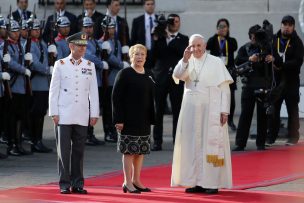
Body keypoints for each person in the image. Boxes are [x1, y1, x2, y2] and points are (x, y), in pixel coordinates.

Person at [171, 34, 233, 194]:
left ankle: (211, 183)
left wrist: (224, 110)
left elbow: (225, 89)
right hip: (191, 111)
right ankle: (195, 181)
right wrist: (184, 59)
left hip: (210, 111)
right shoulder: (187, 60)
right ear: (189, 47)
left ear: (205, 46)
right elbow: (178, 76)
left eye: (199, 45)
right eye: (193, 46)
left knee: (209, 145)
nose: (196, 49)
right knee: (192, 145)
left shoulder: (216, 62)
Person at [49, 32, 99, 194]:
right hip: (63, 113)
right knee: (63, 150)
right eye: (80, 45)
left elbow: (93, 91)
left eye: (85, 45)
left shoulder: (89, 65)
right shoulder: (61, 64)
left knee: (79, 150)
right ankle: (64, 183)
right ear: (71, 46)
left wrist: (94, 113)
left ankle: (78, 183)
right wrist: (54, 112)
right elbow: (53, 90)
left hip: (82, 113)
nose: (83, 48)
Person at [112, 44, 155, 194]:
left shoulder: (149, 74)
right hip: (127, 119)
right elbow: (116, 98)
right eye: (137, 54)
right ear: (131, 57)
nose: (140, 57)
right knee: (129, 152)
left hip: (143, 119)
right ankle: (127, 182)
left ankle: (137, 180)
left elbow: (151, 97)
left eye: (143, 54)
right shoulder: (124, 74)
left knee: (140, 151)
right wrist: (118, 119)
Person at [233, 25, 274, 151]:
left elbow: (277, 59)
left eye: (258, 36)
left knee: (262, 115)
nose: (255, 39)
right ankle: (240, 143)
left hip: (263, 85)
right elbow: (237, 61)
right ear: (250, 36)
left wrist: (272, 58)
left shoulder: (267, 47)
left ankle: (261, 143)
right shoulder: (245, 48)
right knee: (245, 115)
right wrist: (249, 59)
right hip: (249, 86)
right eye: (254, 36)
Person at [151, 13, 188, 151]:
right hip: (160, 78)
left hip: (176, 79)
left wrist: (168, 38)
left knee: (177, 110)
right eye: (171, 21)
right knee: (158, 110)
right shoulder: (159, 37)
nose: (174, 23)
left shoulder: (184, 39)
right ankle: (157, 141)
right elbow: (154, 56)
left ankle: (177, 141)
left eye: (176, 21)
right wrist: (156, 38)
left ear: (180, 23)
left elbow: (181, 52)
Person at [267, 15, 304, 146]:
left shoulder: (297, 42)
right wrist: (271, 63)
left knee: (292, 110)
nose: (286, 27)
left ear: (293, 27)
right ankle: (271, 137)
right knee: (274, 109)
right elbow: (268, 56)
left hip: (291, 81)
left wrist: (281, 64)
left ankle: (293, 137)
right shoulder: (273, 39)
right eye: (284, 24)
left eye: (289, 25)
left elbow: (298, 62)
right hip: (276, 81)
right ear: (281, 25)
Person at [99, 16, 129, 143]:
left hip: (118, 77)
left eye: (112, 27)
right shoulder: (100, 42)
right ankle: (108, 131)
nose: (111, 30)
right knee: (107, 106)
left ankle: (115, 130)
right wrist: (121, 64)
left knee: (117, 105)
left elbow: (119, 57)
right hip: (108, 78)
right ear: (103, 28)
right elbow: (109, 58)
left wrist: (125, 55)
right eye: (108, 28)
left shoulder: (117, 42)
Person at [25, 19, 53, 153]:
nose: (38, 31)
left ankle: (38, 140)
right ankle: (34, 140)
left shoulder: (41, 43)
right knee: (36, 113)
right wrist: (48, 70)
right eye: (35, 29)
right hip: (36, 84)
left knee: (41, 113)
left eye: (39, 29)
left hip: (44, 84)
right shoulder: (29, 45)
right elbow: (34, 63)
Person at [6, 19, 33, 156]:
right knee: (12, 117)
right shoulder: (6, 47)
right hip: (13, 86)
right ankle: (11, 144)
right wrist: (23, 70)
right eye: (13, 31)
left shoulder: (20, 46)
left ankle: (18, 143)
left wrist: (29, 60)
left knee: (20, 116)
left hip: (21, 86)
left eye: (17, 31)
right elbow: (10, 63)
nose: (16, 34)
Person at [207, 18, 238, 131]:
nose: (222, 28)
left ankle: (230, 120)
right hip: (215, 72)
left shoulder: (231, 41)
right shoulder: (213, 40)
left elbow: (234, 47)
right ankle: (215, 118)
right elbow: (207, 46)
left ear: (228, 28)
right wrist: (216, 36)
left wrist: (225, 38)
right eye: (220, 26)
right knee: (215, 96)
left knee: (231, 97)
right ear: (217, 28)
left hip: (229, 72)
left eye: (224, 26)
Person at [82, 16, 106, 145]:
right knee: (87, 107)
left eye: (90, 27)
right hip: (86, 78)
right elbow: (87, 56)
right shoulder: (82, 41)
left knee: (93, 107)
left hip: (96, 78)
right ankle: (86, 134)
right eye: (86, 27)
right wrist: (101, 63)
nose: (88, 29)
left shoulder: (95, 41)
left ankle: (90, 133)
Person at [131, 0, 157, 69]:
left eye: (152, 4)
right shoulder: (137, 21)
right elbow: (133, 39)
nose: (150, 6)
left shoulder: (159, 19)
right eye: (148, 4)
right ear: (144, 6)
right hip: (142, 53)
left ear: (154, 5)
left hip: (157, 54)